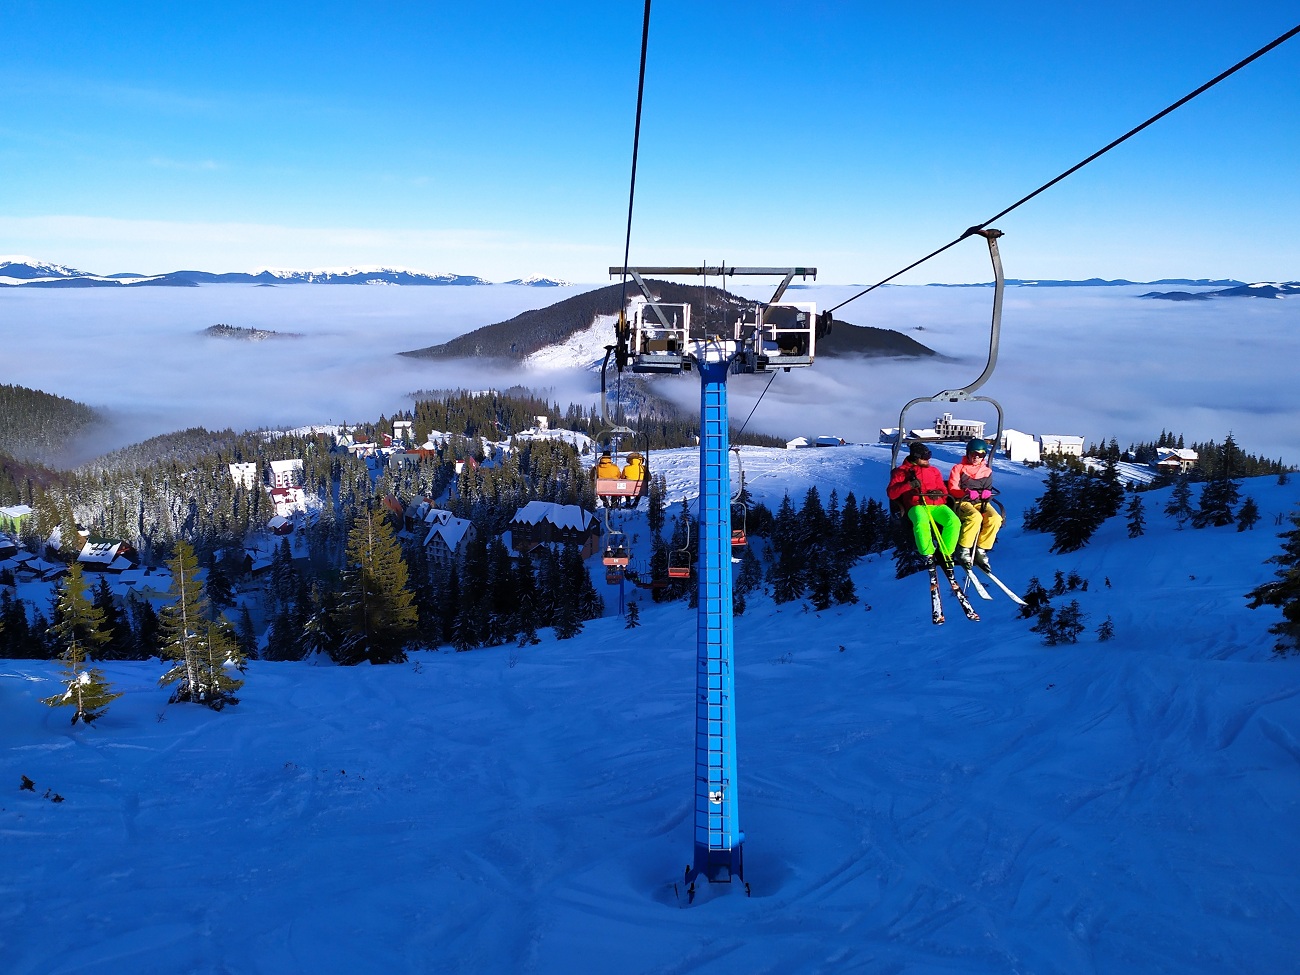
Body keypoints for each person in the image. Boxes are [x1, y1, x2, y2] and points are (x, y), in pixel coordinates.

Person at [887, 441, 960, 566]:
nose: (928, 460)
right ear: (916, 457)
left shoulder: (934, 471)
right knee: (921, 522)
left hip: (937, 505)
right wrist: (909, 485)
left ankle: (946, 552)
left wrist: (938, 494)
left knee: (953, 521)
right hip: (916, 505)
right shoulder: (901, 472)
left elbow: (943, 489)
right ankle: (928, 553)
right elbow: (892, 493)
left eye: (929, 456)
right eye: (925, 457)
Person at [947, 437, 1002, 570]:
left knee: (995, 518)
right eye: (974, 454)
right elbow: (953, 489)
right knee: (975, 517)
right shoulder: (959, 468)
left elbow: (988, 489)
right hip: (963, 501)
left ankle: (981, 549)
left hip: (980, 502)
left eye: (981, 455)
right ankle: (964, 549)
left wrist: (987, 494)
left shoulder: (986, 471)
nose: (976, 458)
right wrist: (965, 492)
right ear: (968, 453)